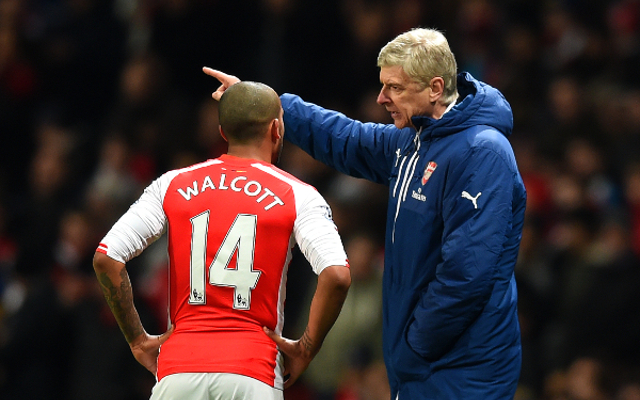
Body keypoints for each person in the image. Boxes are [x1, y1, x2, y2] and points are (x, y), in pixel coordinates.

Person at [204, 26, 526, 399]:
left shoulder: (482, 152)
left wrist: (416, 342)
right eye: (383, 85)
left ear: (436, 88)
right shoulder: (417, 138)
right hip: (423, 365)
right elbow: (347, 139)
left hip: (461, 369)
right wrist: (267, 104)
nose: (381, 98)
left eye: (395, 88)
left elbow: (467, 274)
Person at [92, 81, 351, 400]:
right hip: (252, 371)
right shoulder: (299, 195)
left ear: (222, 132)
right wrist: (306, 348)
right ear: (276, 128)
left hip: (178, 371)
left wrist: (137, 339)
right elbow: (337, 275)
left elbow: (106, 257)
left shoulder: (171, 184)